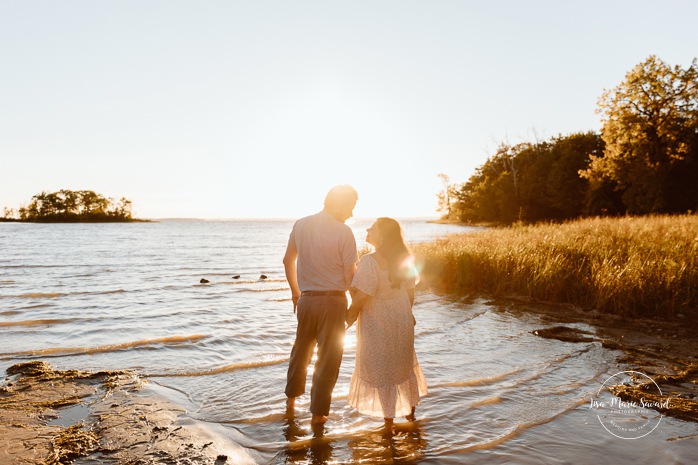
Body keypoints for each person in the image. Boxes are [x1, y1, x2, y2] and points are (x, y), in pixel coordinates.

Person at [283, 185, 359, 426]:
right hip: (333, 302)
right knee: (328, 359)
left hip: (306, 300)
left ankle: (291, 406)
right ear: (337, 204)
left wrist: (296, 293)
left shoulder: (301, 224)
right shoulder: (344, 232)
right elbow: (350, 275)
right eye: (350, 208)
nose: (351, 214)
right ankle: (318, 417)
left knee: (301, 352)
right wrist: (355, 304)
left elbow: (288, 260)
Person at [345, 217, 427, 427]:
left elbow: (363, 296)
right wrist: (408, 314)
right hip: (402, 316)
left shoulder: (369, 261)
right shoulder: (405, 257)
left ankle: (389, 424)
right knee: (402, 365)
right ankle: (410, 416)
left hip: (378, 319)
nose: (368, 230)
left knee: (382, 369)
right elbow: (410, 293)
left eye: (372, 228)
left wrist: (349, 315)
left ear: (381, 234)